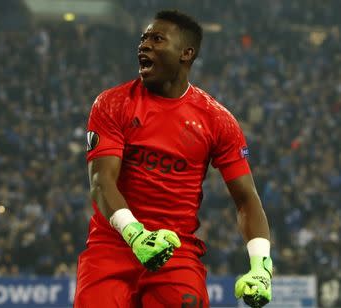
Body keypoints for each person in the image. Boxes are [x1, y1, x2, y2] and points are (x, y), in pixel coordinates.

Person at [74, 9, 273, 308]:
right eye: (143, 39)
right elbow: (101, 181)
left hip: (176, 252)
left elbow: (246, 199)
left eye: (156, 39)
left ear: (186, 53)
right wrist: (135, 235)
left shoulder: (216, 120)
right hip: (112, 246)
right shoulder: (113, 104)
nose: (144, 45)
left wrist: (261, 266)